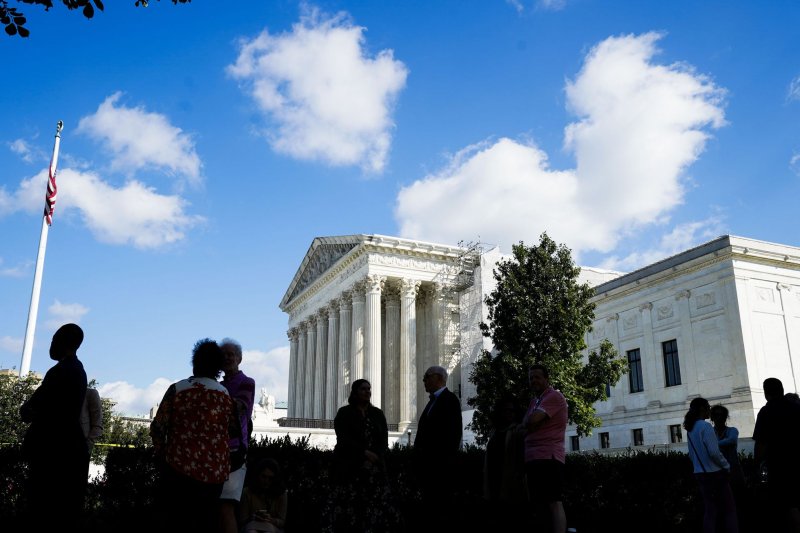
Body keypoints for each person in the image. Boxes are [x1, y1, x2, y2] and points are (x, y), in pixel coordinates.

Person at [150, 338, 240, 533]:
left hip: (178, 468)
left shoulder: (178, 389)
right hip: (214, 473)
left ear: (195, 363)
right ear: (218, 367)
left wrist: (162, 455)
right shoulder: (225, 395)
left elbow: (158, 428)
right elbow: (233, 429)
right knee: (206, 521)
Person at [19, 323, 89, 529]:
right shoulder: (79, 371)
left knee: (43, 511)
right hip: (70, 451)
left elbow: (31, 408)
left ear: (61, 341)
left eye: (53, 340)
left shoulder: (59, 372)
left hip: (50, 453)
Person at [326, 378, 399, 532]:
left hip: (374, 472)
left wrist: (375, 457)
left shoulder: (377, 414)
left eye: (369, 388)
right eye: (363, 389)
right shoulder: (344, 413)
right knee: (349, 513)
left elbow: (383, 440)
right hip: (349, 470)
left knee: (376, 513)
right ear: (355, 392)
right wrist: (364, 454)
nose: (367, 392)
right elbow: (344, 440)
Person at [523, 363, 568, 533]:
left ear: (546, 379)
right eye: (531, 377)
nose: (533, 380)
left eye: (537, 377)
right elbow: (526, 423)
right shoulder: (535, 400)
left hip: (549, 457)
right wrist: (530, 423)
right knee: (539, 503)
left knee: (553, 502)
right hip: (533, 458)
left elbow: (531, 421)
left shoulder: (554, 396)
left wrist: (531, 423)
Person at [413, 365, 463, 518]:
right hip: (428, 468)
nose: (424, 380)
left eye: (427, 377)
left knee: (440, 509)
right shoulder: (433, 401)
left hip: (439, 468)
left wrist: (442, 462)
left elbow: (453, 434)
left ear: (439, 378)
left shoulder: (449, 400)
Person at [684, 397, 738, 533]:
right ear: (702, 409)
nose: (710, 410)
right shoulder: (705, 426)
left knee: (710, 511)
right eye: (708, 407)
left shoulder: (690, 429)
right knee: (729, 510)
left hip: (700, 474)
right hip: (715, 474)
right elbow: (714, 453)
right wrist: (726, 466)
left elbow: (691, 455)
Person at [219, 338, 256, 533]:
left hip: (235, 449)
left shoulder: (246, 382)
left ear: (239, 359)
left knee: (227, 506)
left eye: (230, 354)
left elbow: (240, 407)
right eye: (223, 355)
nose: (227, 358)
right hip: (216, 450)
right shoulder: (218, 385)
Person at [753, 377, 800, 532]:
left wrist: (756, 467)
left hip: (778, 468)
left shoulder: (766, 412)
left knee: (784, 507)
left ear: (766, 393)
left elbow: (760, 445)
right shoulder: (795, 408)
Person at [483, 393, 526, 530]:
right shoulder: (495, 431)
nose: (510, 413)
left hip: (511, 482)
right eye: (506, 410)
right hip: (493, 479)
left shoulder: (517, 431)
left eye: (512, 411)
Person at [238, 458, 288, 533]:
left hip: (272, 527)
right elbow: (242, 519)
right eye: (263, 476)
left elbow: (282, 521)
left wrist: (271, 520)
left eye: (270, 478)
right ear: (258, 475)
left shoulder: (281, 494)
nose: (266, 481)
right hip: (251, 526)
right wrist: (253, 517)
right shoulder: (247, 492)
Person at [710, 405, 745, 508]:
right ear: (712, 417)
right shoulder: (710, 432)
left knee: (737, 502)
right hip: (717, 473)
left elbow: (732, 440)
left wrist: (713, 444)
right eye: (716, 415)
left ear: (726, 417)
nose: (719, 417)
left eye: (722, 415)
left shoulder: (732, 430)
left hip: (734, 472)